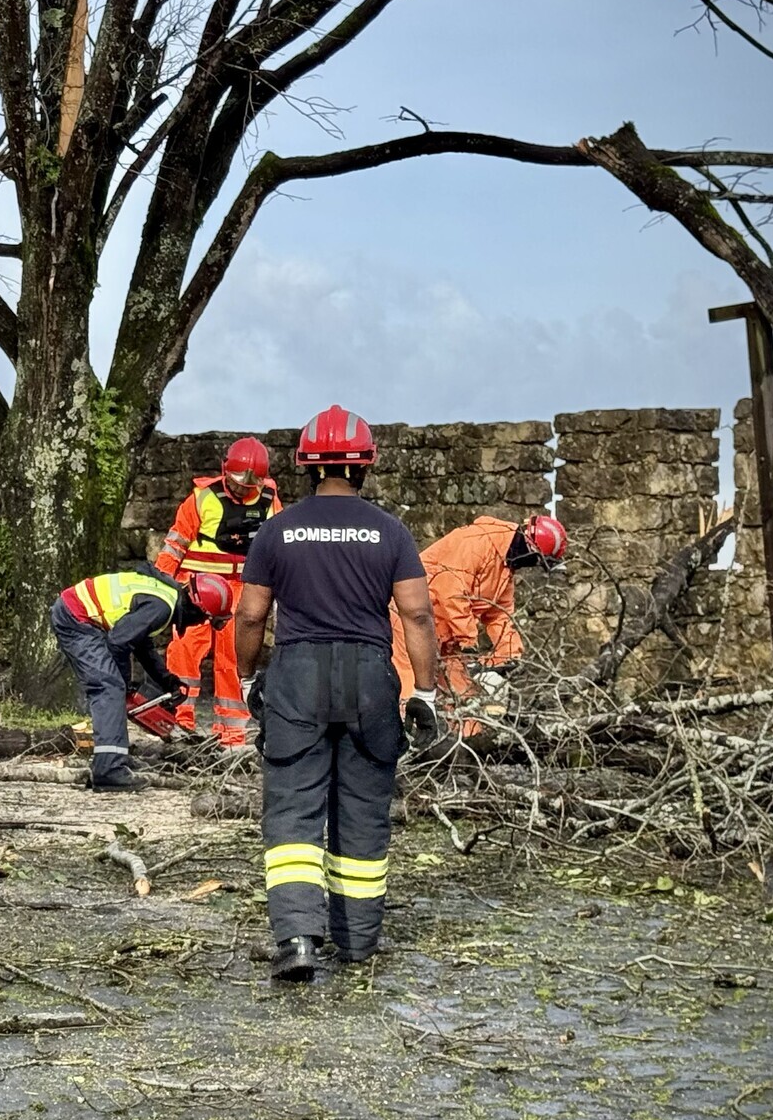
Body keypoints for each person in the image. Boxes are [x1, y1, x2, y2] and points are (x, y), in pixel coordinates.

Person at [233, 406, 442, 984]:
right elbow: (418, 615)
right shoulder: (390, 532)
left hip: (297, 678)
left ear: (306, 465)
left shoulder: (277, 530)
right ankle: (357, 941)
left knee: (293, 812)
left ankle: (299, 940)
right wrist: (425, 692)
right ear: (364, 466)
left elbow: (250, 616)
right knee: (363, 811)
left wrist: (249, 679)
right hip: (370, 679)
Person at [154, 436, 282, 744]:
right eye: (236, 483)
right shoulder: (201, 498)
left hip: (242, 591)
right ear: (225, 471)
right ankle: (178, 721)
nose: (241, 490)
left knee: (234, 659)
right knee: (184, 654)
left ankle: (232, 731)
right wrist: (160, 584)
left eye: (248, 486)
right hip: (196, 590)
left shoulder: (269, 502)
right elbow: (175, 544)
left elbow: (280, 549)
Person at [389, 513, 567, 726]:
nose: (533, 567)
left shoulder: (505, 566)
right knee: (414, 686)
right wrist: (469, 641)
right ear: (531, 548)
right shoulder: (477, 542)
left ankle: (468, 744)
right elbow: (451, 593)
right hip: (412, 622)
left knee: (465, 700)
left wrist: (509, 655)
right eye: (537, 561)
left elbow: (499, 615)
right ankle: (405, 740)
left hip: (447, 635)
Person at [51, 564, 201, 791]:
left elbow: (140, 642)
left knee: (113, 688)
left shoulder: (166, 596)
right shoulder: (162, 607)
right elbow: (119, 642)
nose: (201, 624)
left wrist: (166, 680)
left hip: (80, 614)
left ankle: (113, 758)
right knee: (109, 688)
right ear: (198, 610)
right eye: (206, 619)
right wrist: (125, 684)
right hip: (76, 617)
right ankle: (109, 771)